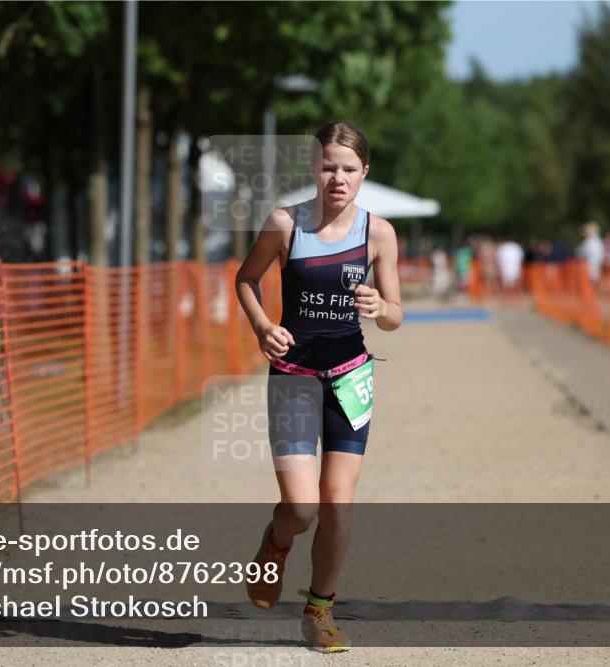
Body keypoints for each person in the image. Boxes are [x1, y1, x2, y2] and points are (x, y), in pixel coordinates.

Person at [234, 121, 403, 653]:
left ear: (364, 174)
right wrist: (263, 326)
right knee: (302, 507)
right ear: (313, 168)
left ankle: (320, 613)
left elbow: (395, 314)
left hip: (352, 376)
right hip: (294, 376)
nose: (338, 178)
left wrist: (383, 309)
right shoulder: (286, 224)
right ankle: (276, 541)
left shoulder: (379, 233)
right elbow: (245, 278)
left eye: (349, 169)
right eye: (328, 166)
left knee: (338, 505)